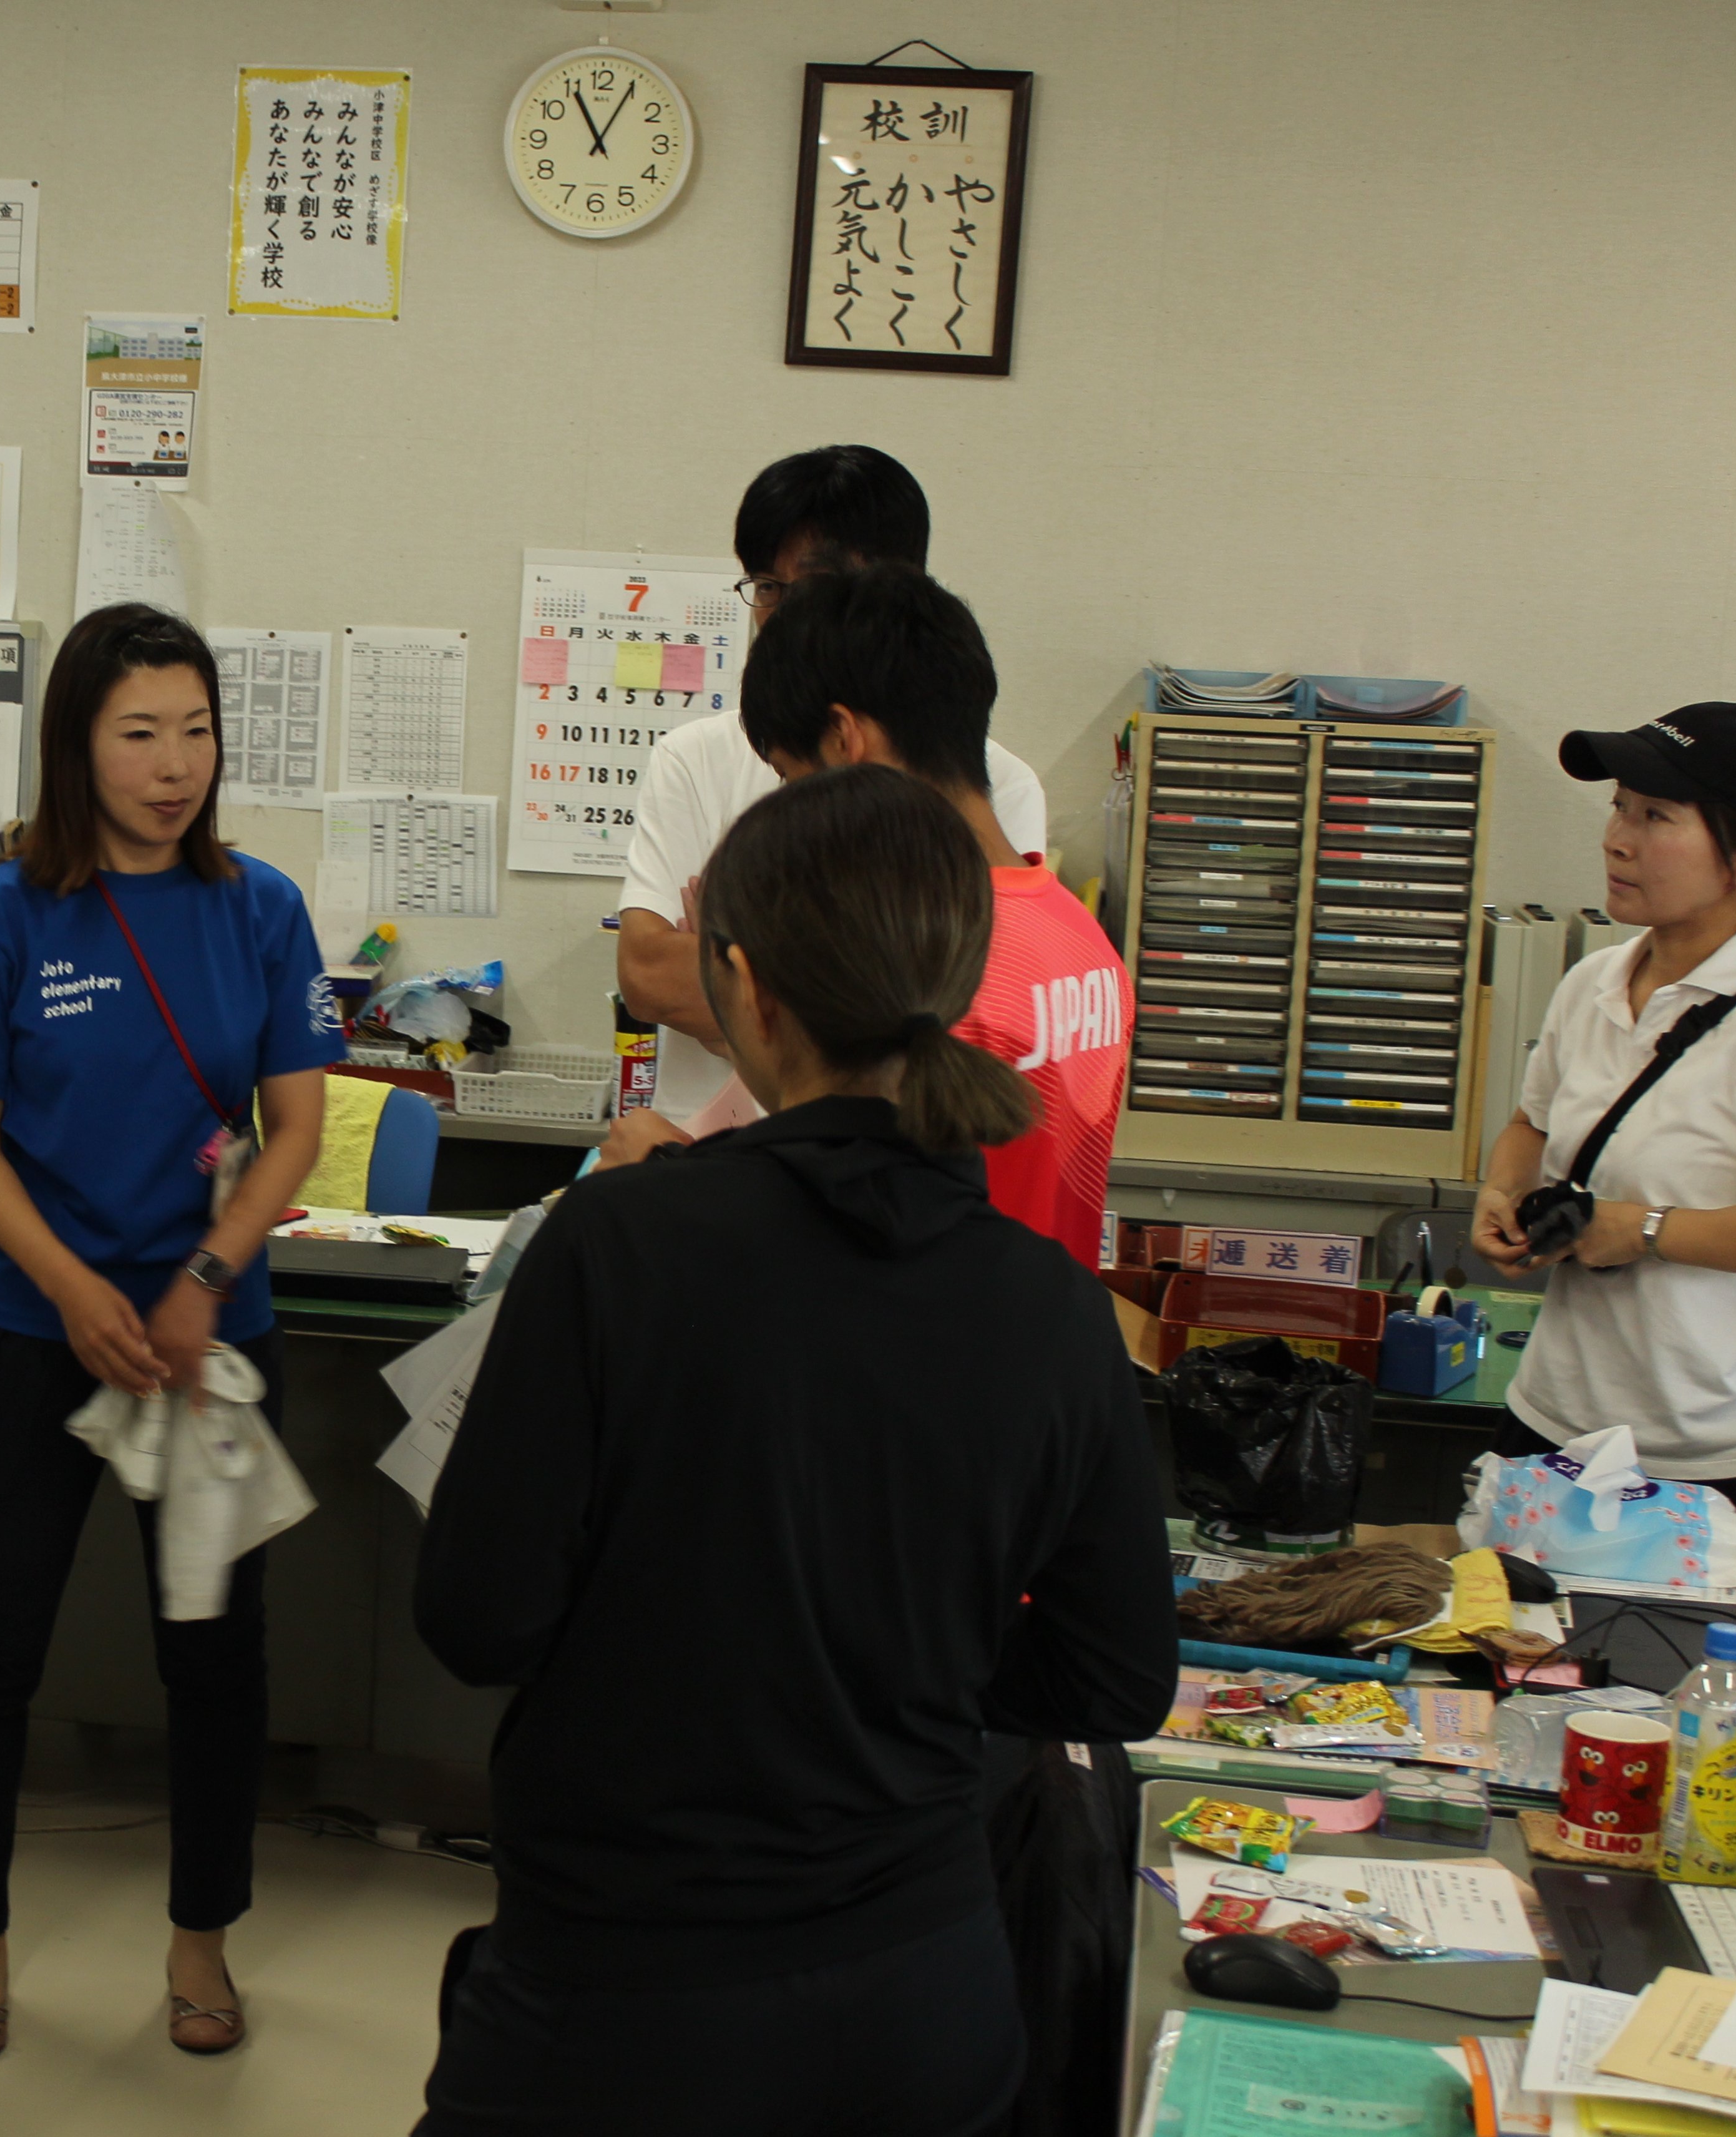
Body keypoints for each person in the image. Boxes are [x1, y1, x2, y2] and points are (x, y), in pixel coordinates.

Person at [413, 764, 1176, 2137]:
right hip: (924, 1999)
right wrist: (913, 1651)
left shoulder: (618, 1247)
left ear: (747, 988)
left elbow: (478, 1615)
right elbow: (1116, 1673)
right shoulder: (1053, 1308)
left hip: (623, 1997)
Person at [0, 602, 341, 2060]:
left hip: (208, 1344)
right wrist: (76, 1289)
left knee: (213, 1656)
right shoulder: (2, 914)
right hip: (32, 1331)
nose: (173, 764)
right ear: (76, 744)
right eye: (139, 732)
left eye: (195, 731)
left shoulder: (261, 907)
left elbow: (294, 1127)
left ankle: (202, 1940)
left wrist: (200, 1277)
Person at [602, 565, 1129, 1268]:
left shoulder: (923, 962)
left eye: (788, 779)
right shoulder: (1084, 940)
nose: (792, 811)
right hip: (1037, 1323)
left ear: (845, 741)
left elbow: (842, 1256)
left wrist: (666, 1172)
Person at [614, 444, 1050, 1128]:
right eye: (767, 588)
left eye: (814, 587)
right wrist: (833, 995)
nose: (784, 616)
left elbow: (963, 1013)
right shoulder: (694, 755)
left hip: (874, 1161)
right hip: (704, 1147)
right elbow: (646, 977)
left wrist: (731, 969)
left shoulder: (991, 782)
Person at [1472, 704, 1736, 1515]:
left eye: (1657, 817)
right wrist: (1503, 1191)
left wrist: (1641, 1230)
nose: (1617, 840)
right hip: (1550, 1420)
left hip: (1708, 1455)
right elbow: (1532, 1123)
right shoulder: (1591, 983)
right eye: (1620, 807)